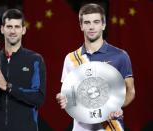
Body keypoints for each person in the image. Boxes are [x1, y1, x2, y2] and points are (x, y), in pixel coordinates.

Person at [56, 3, 135, 131]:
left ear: (103, 25)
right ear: (81, 26)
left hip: (111, 127)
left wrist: (117, 107)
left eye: (96, 22)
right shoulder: (71, 59)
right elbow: (69, 96)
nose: (91, 27)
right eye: (87, 22)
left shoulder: (120, 56)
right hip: (81, 127)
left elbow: (130, 91)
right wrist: (63, 99)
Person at [0, 9, 46, 131]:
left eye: (17, 27)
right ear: (2, 29)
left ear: (23, 30)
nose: (13, 31)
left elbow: (38, 98)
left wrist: (8, 86)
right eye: (9, 26)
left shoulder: (35, 59)